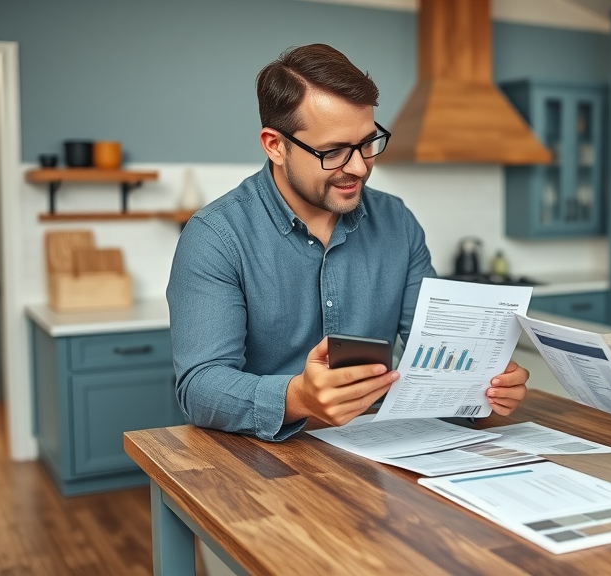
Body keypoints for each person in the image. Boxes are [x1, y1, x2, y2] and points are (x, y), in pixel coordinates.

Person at [167, 44, 529, 441]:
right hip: (267, 456)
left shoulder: (397, 222)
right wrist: (298, 397)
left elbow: (437, 353)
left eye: (367, 143)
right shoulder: (215, 236)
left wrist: (483, 382)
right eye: (334, 151)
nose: (358, 167)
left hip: (382, 444)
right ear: (275, 145)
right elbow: (200, 387)